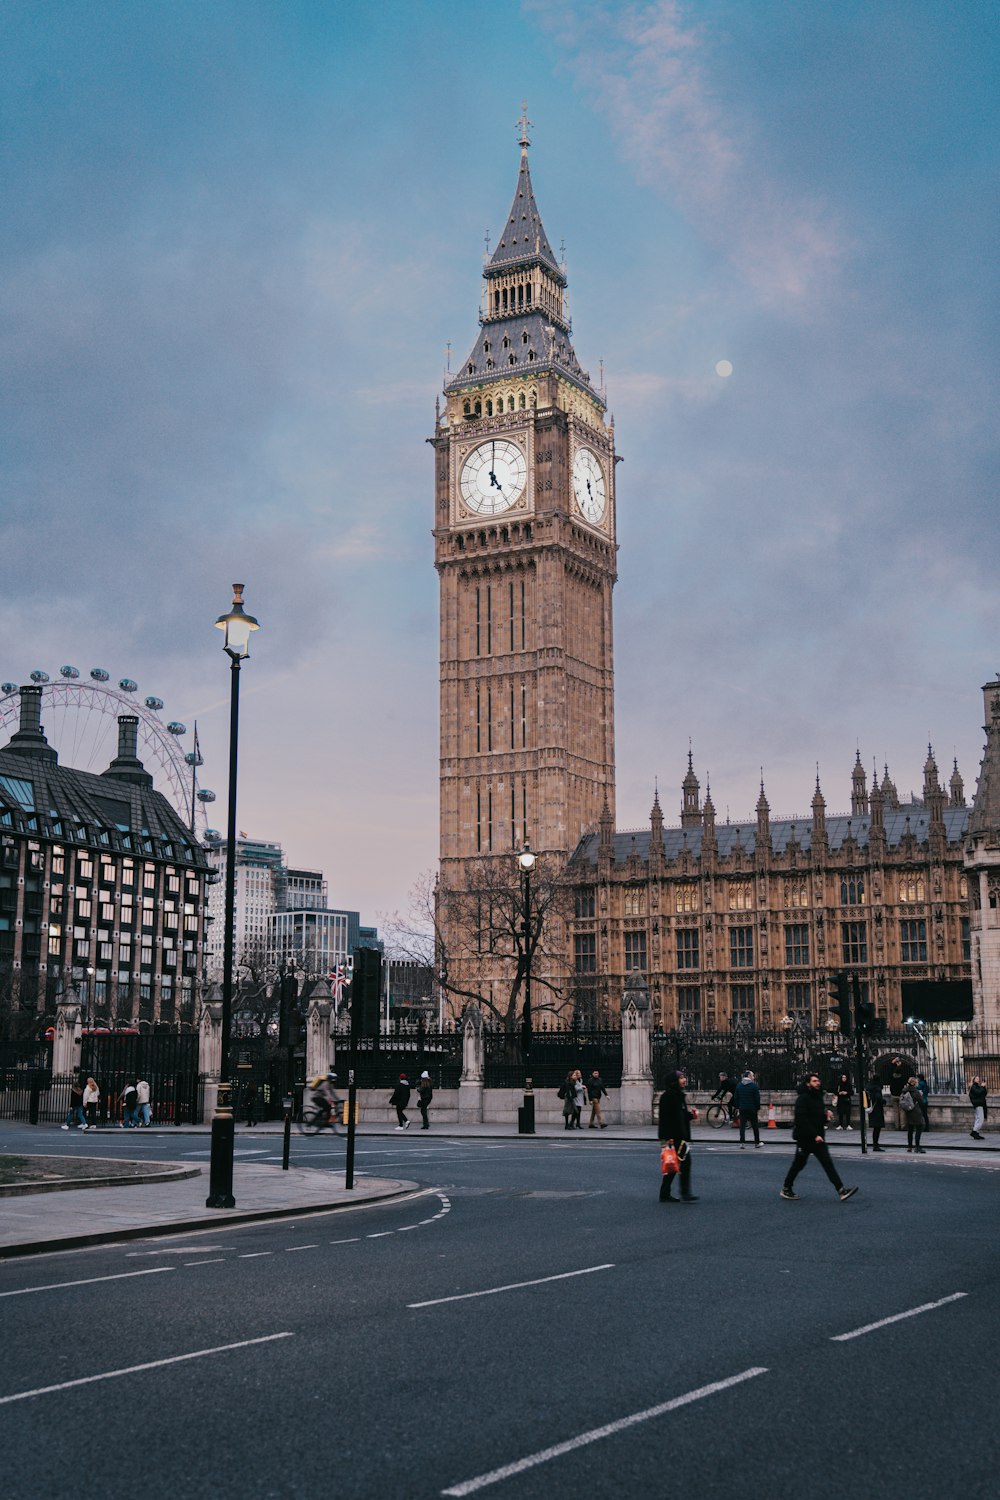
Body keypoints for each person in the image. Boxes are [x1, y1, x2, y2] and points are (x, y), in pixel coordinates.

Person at [780, 1072, 858, 1202]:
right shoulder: (803, 1099)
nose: (818, 1083)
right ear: (808, 1083)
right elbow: (801, 1120)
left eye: (818, 1080)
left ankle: (841, 1190)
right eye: (814, 1081)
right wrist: (814, 1135)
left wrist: (825, 1118)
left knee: (828, 1164)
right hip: (805, 1139)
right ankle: (786, 1188)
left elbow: (816, 1118)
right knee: (798, 1165)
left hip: (817, 1138)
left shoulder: (817, 1098)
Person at [657, 1068, 699, 1201]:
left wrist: (690, 1116)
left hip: (679, 1135)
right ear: (674, 1081)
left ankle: (665, 1193)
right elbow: (665, 1118)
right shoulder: (667, 1096)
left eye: (684, 1077)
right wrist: (667, 1138)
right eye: (681, 1078)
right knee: (679, 1164)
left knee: (674, 1165)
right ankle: (684, 1193)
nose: (684, 1080)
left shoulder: (679, 1095)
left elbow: (679, 1116)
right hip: (672, 1136)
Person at [734, 1070, 761, 1147]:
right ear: (749, 1076)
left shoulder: (739, 1085)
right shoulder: (754, 1086)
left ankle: (742, 1143)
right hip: (752, 1108)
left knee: (742, 1126)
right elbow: (757, 1098)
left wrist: (737, 1107)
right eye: (752, 1075)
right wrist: (757, 1107)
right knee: (755, 1126)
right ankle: (757, 1142)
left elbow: (736, 1097)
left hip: (742, 1108)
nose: (753, 1077)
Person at [901, 1076, 925, 1153]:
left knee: (910, 1130)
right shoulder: (916, 1091)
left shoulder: (904, 1090)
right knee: (919, 1128)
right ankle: (917, 1146)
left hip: (908, 1111)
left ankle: (909, 1146)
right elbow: (921, 1102)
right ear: (915, 1083)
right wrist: (920, 1095)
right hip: (916, 1111)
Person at [887, 1057, 908, 1128]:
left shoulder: (891, 1076)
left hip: (893, 1095)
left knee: (896, 1111)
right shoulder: (902, 1077)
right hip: (900, 1094)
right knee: (902, 1111)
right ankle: (903, 1126)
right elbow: (905, 1073)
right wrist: (900, 1066)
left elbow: (889, 1069)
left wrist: (893, 1063)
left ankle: (897, 1126)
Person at [867, 1080, 886, 1151]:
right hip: (877, 1110)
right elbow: (878, 1098)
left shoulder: (870, 1088)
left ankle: (875, 1144)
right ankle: (876, 1145)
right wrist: (884, 1101)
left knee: (875, 1128)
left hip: (872, 1109)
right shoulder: (877, 1089)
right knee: (877, 1128)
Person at [968, 1075, 988, 1140]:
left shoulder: (977, 1086)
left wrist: (984, 1087)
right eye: (976, 1078)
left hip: (980, 1104)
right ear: (973, 1079)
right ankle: (974, 1131)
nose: (978, 1079)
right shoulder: (973, 1086)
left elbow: (984, 1094)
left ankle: (976, 1133)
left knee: (978, 1119)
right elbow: (978, 1093)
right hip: (978, 1104)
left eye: (978, 1078)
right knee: (981, 1119)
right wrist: (982, 1087)